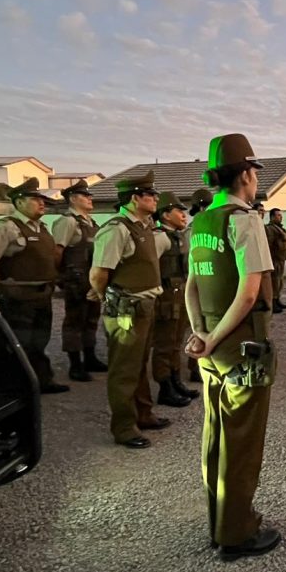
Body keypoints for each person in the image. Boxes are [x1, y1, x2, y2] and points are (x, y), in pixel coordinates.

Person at [184, 133, 281, 560]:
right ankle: (236, 535)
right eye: (255, 171)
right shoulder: (245, 220)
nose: (257, 179)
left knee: (215, 437)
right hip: (241, 349)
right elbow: (248, 293)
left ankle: (217, 523)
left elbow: (189, 287)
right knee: (240, 444)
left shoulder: (201, 221)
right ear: (245, 174)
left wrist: (201, 335)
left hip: (211, 350)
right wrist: (218, 337)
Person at [89, 171, 170, 449]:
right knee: (124, 369)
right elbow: (99, 273)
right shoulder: (116, 229)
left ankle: (143, 414)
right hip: (126, 309)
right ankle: (124, 427)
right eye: (151, 194)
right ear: (135, 198)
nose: (156, 198)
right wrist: (105, 299)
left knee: (138, 365)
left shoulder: (144, 226)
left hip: (144, 306)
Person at [0, 178, 69, 394]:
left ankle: (41, 380)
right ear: (18, 203)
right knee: (20, 342)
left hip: (42, 295)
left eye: (42, 199)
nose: (42, 203)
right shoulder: (7, 227)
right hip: (18, 297)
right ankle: (17, 386)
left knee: (39, 340)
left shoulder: (42, 228)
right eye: (35, 199)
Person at [52, 179, 107, 382]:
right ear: (73, 199)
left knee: (91, 319)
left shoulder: (90, 223)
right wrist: (60, 276)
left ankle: (90, 358)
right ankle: (75, 365)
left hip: (90, 280)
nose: (90, 199)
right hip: (75, 280)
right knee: (74, 322)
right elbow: (57, 252)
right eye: (85, 196)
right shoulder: (68, 222)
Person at [151, 191, 199, 407]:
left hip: (179, 295)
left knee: (176, 342)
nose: (184, 215)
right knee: (164, 343)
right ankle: (164, 387)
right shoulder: (159, 237)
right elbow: (149, 269)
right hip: (166, 297)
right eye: (179, 210)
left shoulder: (177, 236)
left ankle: (175, 380)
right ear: (165, 214)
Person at [186, 188, 214, 384]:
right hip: (193, 286)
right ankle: (195, 367)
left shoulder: (212, 227)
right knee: (196, 326)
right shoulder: (192, 231)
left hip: (204, 284)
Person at [265, 208, 286, 313]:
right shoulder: (270, 229)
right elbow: (269, 244)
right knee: (274, 281)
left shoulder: (279, 228)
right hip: (274, 258)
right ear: (272, 217)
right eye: (278, 215)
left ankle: (277, 299)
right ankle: (273, 303)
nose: (280, 217)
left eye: (281, 215)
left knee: (279, 280)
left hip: (281, 258)